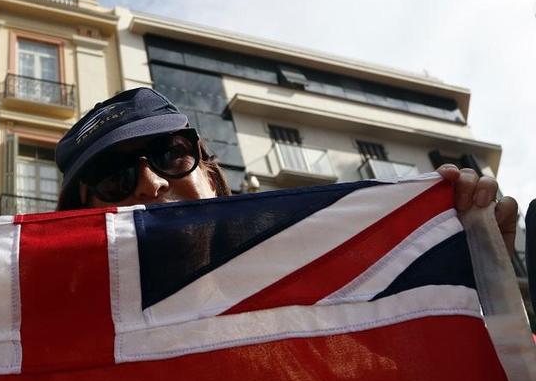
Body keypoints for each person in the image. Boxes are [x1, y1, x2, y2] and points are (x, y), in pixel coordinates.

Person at [55, 87, 518, 253]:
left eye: (171, 155)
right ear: (81, 212)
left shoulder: (327, 282)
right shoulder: (36, 345)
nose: (152, 183)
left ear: (213, 179)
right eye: (117, 178)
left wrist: (468, 270)